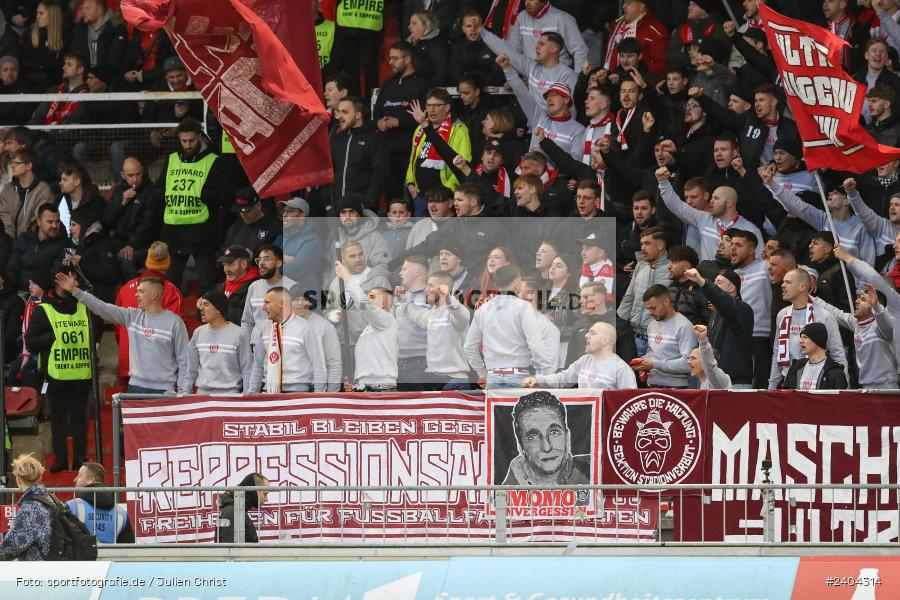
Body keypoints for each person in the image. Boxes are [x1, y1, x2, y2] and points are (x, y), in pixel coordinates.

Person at [58, 271, 189, 395]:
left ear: (153, 295)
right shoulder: (132, 315)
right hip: (135, 388)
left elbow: (184, 360)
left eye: (141, 291)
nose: (136, 295)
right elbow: (103, 308)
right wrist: (75, 290)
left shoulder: (175, 323)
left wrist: (183, 392)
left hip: (165, 390)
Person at [26, 264, 93, 472]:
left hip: (81, 373)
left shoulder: (84, 306)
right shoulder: (43, 310)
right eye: (70, 276)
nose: (75, 280)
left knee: (80, 420)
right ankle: (61, 459)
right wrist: (53, 338)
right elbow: (31, 342)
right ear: (58, 279)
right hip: (56, 375)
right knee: (58, 420)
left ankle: (80, 459)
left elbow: (95, 333)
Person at [160, 117, 230, 290]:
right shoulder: (171, 159)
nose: (188, 144)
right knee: (171, 284)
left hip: (202, 232)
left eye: (191, 140)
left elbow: (225, 195)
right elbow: (161, 188)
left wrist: (202, 195)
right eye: (184, 141)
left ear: (199, 136)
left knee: (207, 283)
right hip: (175, 231)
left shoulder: (214, 160)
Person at [464, 265, 556, 388]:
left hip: (492, 376)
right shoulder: (524, 307)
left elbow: (469, 347)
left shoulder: (483, 310)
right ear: (517, 284)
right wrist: (546, 372)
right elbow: (535, 344)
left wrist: (483, 373)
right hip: (518, 376)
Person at [656, 165, 763, 261]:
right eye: (712, 198)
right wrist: (663, 182)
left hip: (733, 277)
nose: (711, 201)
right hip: (706, 276)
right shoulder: (703, 219)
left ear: (729, 204)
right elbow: (677, 206)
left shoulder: (750, 230)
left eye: (716, 198)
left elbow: (759, 261)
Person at [770, 268, 847, 389]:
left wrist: (843, 389)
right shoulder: (782, 315)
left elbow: (838, 354)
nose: (782, 285)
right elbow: (777, 353)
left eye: (788, 282)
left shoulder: (824, 316)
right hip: (790, 384)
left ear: (802, 286)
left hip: (817, 383)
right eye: (783, 282)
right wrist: (772, 387)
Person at [372, 41, 431, 199]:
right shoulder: (388, 84)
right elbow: (376, 113)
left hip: (410, 151)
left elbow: (426, 116)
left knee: (412, 197)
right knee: (392, 198)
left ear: (407, 59)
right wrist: (379, 123)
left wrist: (399, 122)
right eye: (389, 58)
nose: (390, 62)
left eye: (395, 58)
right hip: (386, 152)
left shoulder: (422, 84)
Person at [813, 282, 897, 389]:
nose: (856, 301)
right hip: (865, 387)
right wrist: (811, 298)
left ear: (874, 303)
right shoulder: (856, 323)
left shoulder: (881, 327)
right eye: (858, 298)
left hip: (887, 386)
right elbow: (836, 312)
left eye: (863, 299)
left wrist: (877, 307)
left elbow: (887, 326)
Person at [684, 267, 754, 387]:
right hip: (715, 381)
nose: (715, 285)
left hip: (736, 384)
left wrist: (703, 282)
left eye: (719, 282)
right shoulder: (715, 315)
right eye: (714, 282)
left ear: (732, 287)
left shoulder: (743, 309)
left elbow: (723, 300)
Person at [501, 391, 590, 485]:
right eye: (533, 437)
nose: (547, 447)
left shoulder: (591, 468)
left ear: (567, 437)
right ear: (521, 446)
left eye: (554, 432)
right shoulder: (506, 490)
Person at [249, 287, 326, 393]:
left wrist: (318, 398)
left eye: (267, 302)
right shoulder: (264, 327)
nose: (263, 307)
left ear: (282, 304)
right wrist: (252, 392)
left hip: (297, 396)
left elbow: (319, 367)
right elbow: (257, 365)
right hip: (268, 393)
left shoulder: (306, 328)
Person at [336, 261, 399, 392]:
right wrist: (356, 382)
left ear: (383, 304)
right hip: (366, 387)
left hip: (381, 387)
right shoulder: (369, 329)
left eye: (372, 297)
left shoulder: (387, 320)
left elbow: (362, 303)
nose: (368, 300)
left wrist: (347, 278)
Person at [407, 270, 472, 391]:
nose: (426, 289)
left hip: (455, 380)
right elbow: (418, 316)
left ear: (444, 289)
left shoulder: (456, 311)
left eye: (431, 285)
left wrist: (448, 298)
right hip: (434, 380)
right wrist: (405, 300)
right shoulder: (432, 313)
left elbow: (463, 315)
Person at [525, 322, 636, 389]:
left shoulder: (622, 369)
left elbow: (629, 402)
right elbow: (563, 379)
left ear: (604, 341)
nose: (586, 335)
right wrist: (537, 380)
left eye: (592, 333)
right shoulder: (584, 360)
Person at [102, 157, 160, 281]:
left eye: (138, 174)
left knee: (125, 257)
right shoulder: (119, 191)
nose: (135, 179)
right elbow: (106, 221)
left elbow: (148, 225)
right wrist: (122, 203)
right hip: (119, 243)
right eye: (130, 175)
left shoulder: (151, 191)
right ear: (123, 175)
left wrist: (131, 244)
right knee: (100, 255)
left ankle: (133, 291)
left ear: (142, 171)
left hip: (144, 244)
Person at [617, 227, 672, 356]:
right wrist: (617, 326)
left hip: (659, 341)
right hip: (633, 337)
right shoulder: (640, 265)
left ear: (660, 245)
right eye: (641, 244)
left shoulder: (672, 269)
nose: (642, 248)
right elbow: (629, 298)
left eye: (647, 243)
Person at [631, 284, 698, 388]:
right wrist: (643, 361)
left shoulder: (684, 326)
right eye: (648, 309)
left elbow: (688, 363)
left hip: (676, 389)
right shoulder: (652, 325)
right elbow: (652, 352)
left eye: (653, 308)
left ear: (666, 302)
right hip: (652, 385)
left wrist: (654, 364)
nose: (650, 313)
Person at [187, 290, 252, 395]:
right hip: (202, 396)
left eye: (206, 304)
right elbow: (190, 368)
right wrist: (186, 391)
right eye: (201, 304)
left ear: (218, 309)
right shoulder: (198, 333)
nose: (201, 308)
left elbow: (247, 368)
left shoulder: (239, 334)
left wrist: (247, 395)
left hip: (230, 396)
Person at [329, 96, 387, 211]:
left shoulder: (374, 138)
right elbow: (328, 171)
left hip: (362, 209)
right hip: (336, 208)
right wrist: (328, 202)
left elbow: (379, 173)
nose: (340, 116)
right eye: (339, 112)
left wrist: (369, 202)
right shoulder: (335, 137)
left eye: (345, 112)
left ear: (358, 115)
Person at [240, 245, 297, 347]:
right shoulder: (253, 287)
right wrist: (247, 346)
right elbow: (247, 322)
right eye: (259, 260)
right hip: (256, 348)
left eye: (266, 259)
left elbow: (298, 322)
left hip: (285, 347)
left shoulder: (292, 287)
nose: (261, 263)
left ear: (279, 263)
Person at [4, 202, 67, 294]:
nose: (54, 226)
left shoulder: (64, 243)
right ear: (39, 222)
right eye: (50, 222)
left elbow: (57, 274)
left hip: (45, 294)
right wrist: (6, 289)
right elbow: (12, 268)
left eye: (57, 222)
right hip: (19, 291)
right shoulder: (25, 239)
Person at [0, 454, 53, 560]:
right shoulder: (50, 499)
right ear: (40, 477)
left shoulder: (30, 508)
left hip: (37, 566)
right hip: (52, 561)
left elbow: (13, 545)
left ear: (18, 480)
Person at [291, 286, 342, 393]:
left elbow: (334, 364)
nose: (300, 303)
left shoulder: (325, 326)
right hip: (290, 389)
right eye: (296, 299)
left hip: (315, 389)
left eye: (305, 299)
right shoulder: (283, 325)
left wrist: (331, 395)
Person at [68, 462, 134, 544]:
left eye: (79, 476)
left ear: (91, 480)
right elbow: (127, 547)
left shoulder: (72, 507)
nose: (75, 479)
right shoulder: (121, 513)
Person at [392, 255, 431, 390]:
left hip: (422, 363)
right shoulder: (402, 295)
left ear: (417, 272)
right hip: (398, 362)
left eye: (405, 269)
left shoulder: (432, 296)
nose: (400, 273)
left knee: (421, 403)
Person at [604, 0, 668, 77]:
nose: (623, 6)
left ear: (641, 7)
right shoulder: (618, 25)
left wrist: (639, 77)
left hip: (637, 81)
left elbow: (661, 66)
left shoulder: (655, 30)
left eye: (628, 3)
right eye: (624, 2)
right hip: (613, 79)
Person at [0, 148, 54, 238]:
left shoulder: (43, 191)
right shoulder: (8, 188)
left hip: (32, 241)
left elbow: (38, 223)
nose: (12, 166)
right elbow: (4, 217)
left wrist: (23, 241)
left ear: (29, 166)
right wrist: (8, 240)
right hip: (8, 240)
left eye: (16, 163)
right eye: (11, 163)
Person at [783, 322, 849, 390]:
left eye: (805, 337)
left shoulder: (835, 372)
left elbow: (840, 396)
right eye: (801, 337)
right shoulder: (796, 367)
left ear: (817, 340)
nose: (800, 341)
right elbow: (786, 394)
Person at [222, 188, 279, 255]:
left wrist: (254, 257)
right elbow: (225, 249)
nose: (243, 214)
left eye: (248, 211)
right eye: (240, 211)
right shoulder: (235, 228)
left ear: (258, 205)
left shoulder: (273, 228)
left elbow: (277, 256)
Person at [216, 472, 268, 543]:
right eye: (265, 494)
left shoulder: (236, 510)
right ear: (254, 491)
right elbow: (229, 547)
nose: (266, 499)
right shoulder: (232, 512)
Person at [214, 245, 257, 326]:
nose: (226, 269)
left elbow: (248, 320)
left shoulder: (255, 288)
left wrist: (220, 305)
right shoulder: (221, 286)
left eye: (231, 264)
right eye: (224, 265)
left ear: (244, 264)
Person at [690, 324, 732, 389]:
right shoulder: (702, 383)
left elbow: (710, 366)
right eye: (689, 358)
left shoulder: (718, 380)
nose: (689, 362)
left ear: (704, 360)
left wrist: (703, 340)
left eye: (693, 358)